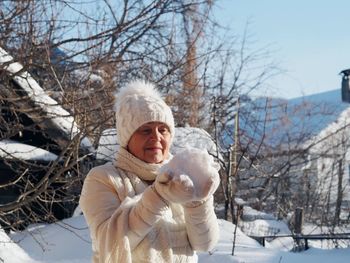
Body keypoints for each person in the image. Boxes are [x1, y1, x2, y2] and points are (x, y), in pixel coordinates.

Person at [79, 80, 220, 263]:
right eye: (145, 130)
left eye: (163, 130)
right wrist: (158, 196)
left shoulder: (182, 177)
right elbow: (111, 247)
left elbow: (204, 245)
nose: (156, 137)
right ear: (126, 138)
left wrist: (198, 201)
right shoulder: (103, 178)